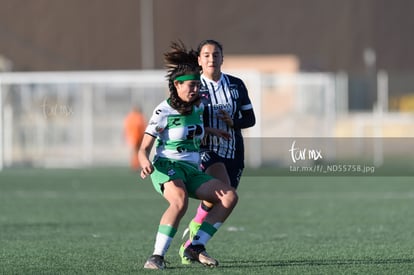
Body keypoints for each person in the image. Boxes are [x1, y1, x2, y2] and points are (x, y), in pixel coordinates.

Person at [139, 41, 238, 270]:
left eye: (197, 85)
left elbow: (192, 130)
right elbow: (143, 148)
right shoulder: (162, 111)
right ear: (177, 85)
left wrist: (213, 131)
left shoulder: (197, 106)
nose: (196, 90)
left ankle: (195, 246)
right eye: (191, 86)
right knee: (180, 200)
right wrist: (144, 163)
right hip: (166, 167)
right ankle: (156, 257)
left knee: (229, 197)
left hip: (191, 170)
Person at [179, 39, 256, 264]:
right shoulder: (193, 87)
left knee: (221, 200)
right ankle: (197, 245)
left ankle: (193, 236)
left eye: (215, 55)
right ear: (199, 60)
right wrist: (206, 130)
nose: (211, 59)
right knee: (224, 193)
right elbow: (183, 118)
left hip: (233, 151)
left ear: (222, 58)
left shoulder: (236, 85)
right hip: (204, 149)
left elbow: (250, 119)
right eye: (206, 55)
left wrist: (233, 122)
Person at [124, 106, 147, 170]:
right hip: (136, 136)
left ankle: (136, 164)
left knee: (136, 151)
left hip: (135, 136)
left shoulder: (132, 117)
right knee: (137, 151)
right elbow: (141, 127)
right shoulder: (137, 117)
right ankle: (136, 164)